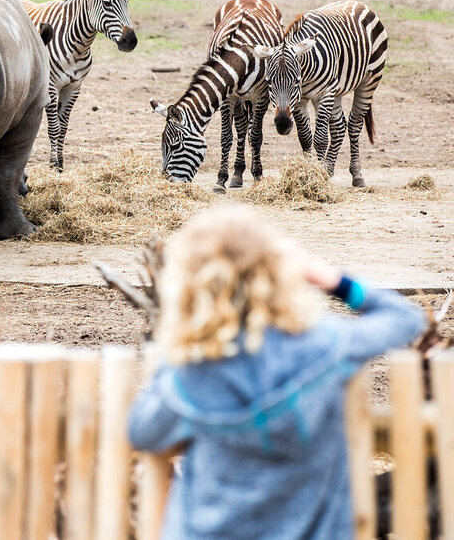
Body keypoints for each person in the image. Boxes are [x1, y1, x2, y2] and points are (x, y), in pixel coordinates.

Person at [128, 206, 426, 540]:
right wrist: (332, 280)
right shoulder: (325, 347)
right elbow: (405, 317)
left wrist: (184, 337)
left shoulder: (191, 374)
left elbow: (142, 431)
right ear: (277, 273)